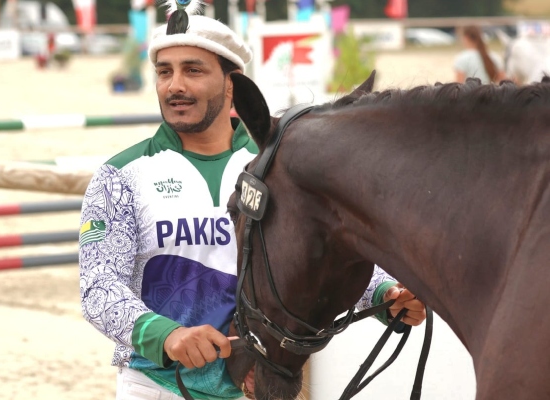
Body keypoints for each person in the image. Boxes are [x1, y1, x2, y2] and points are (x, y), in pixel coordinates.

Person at [78, 2, 426, 399]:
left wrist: (386, 295)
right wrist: (167, 334)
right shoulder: (120, 175)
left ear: (232, 83)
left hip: (255, 387)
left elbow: (319, 251)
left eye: (193, 69)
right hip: (154, 386)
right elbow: (99, 288)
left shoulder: (276, 166)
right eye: (164, 71)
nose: (175, 85)